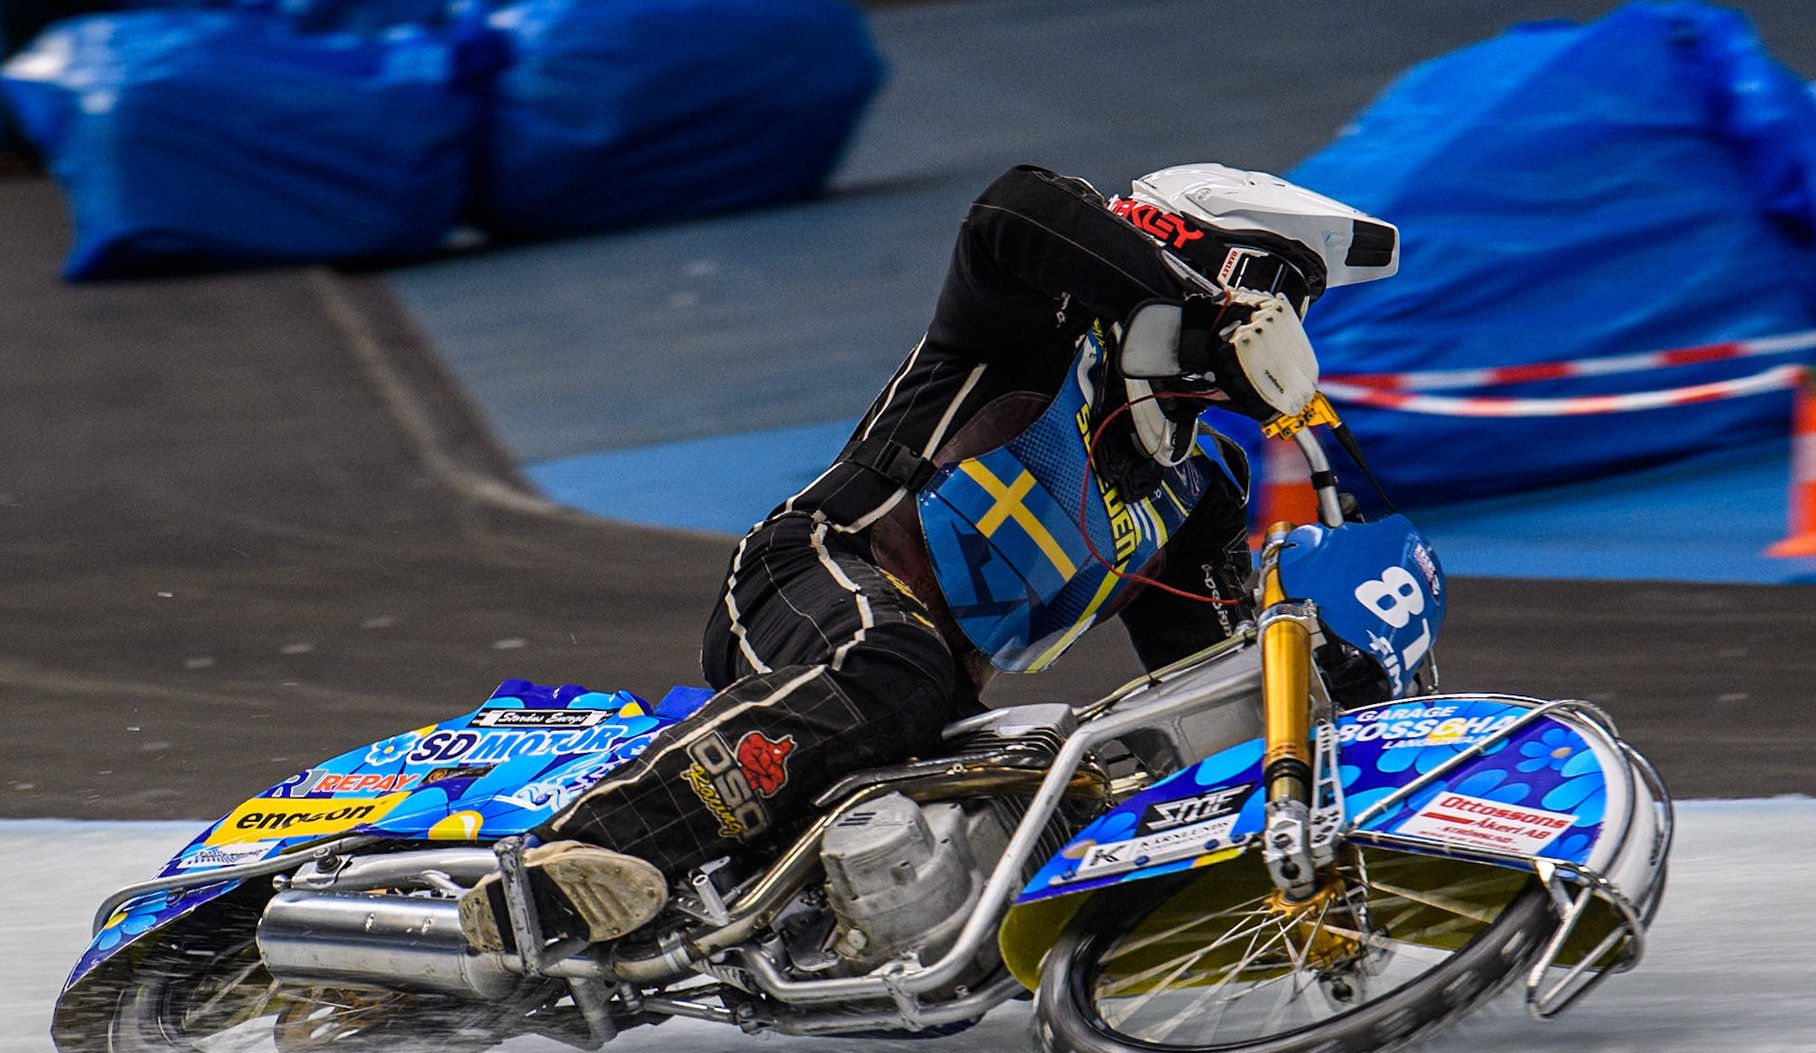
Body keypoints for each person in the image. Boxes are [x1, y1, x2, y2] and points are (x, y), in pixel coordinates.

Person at [458, 162, 1398, 952]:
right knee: (895, 665)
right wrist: (1198, 309)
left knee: (1066, 782)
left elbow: (1204, 691)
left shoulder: (1203, 491)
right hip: (811, 573)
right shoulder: (1035, 325)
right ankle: (575, 857)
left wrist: (1334, 709)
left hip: (930, 694)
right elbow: (1013, 207)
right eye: (1284, 299)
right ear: (1218, 271)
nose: (1290, 333)